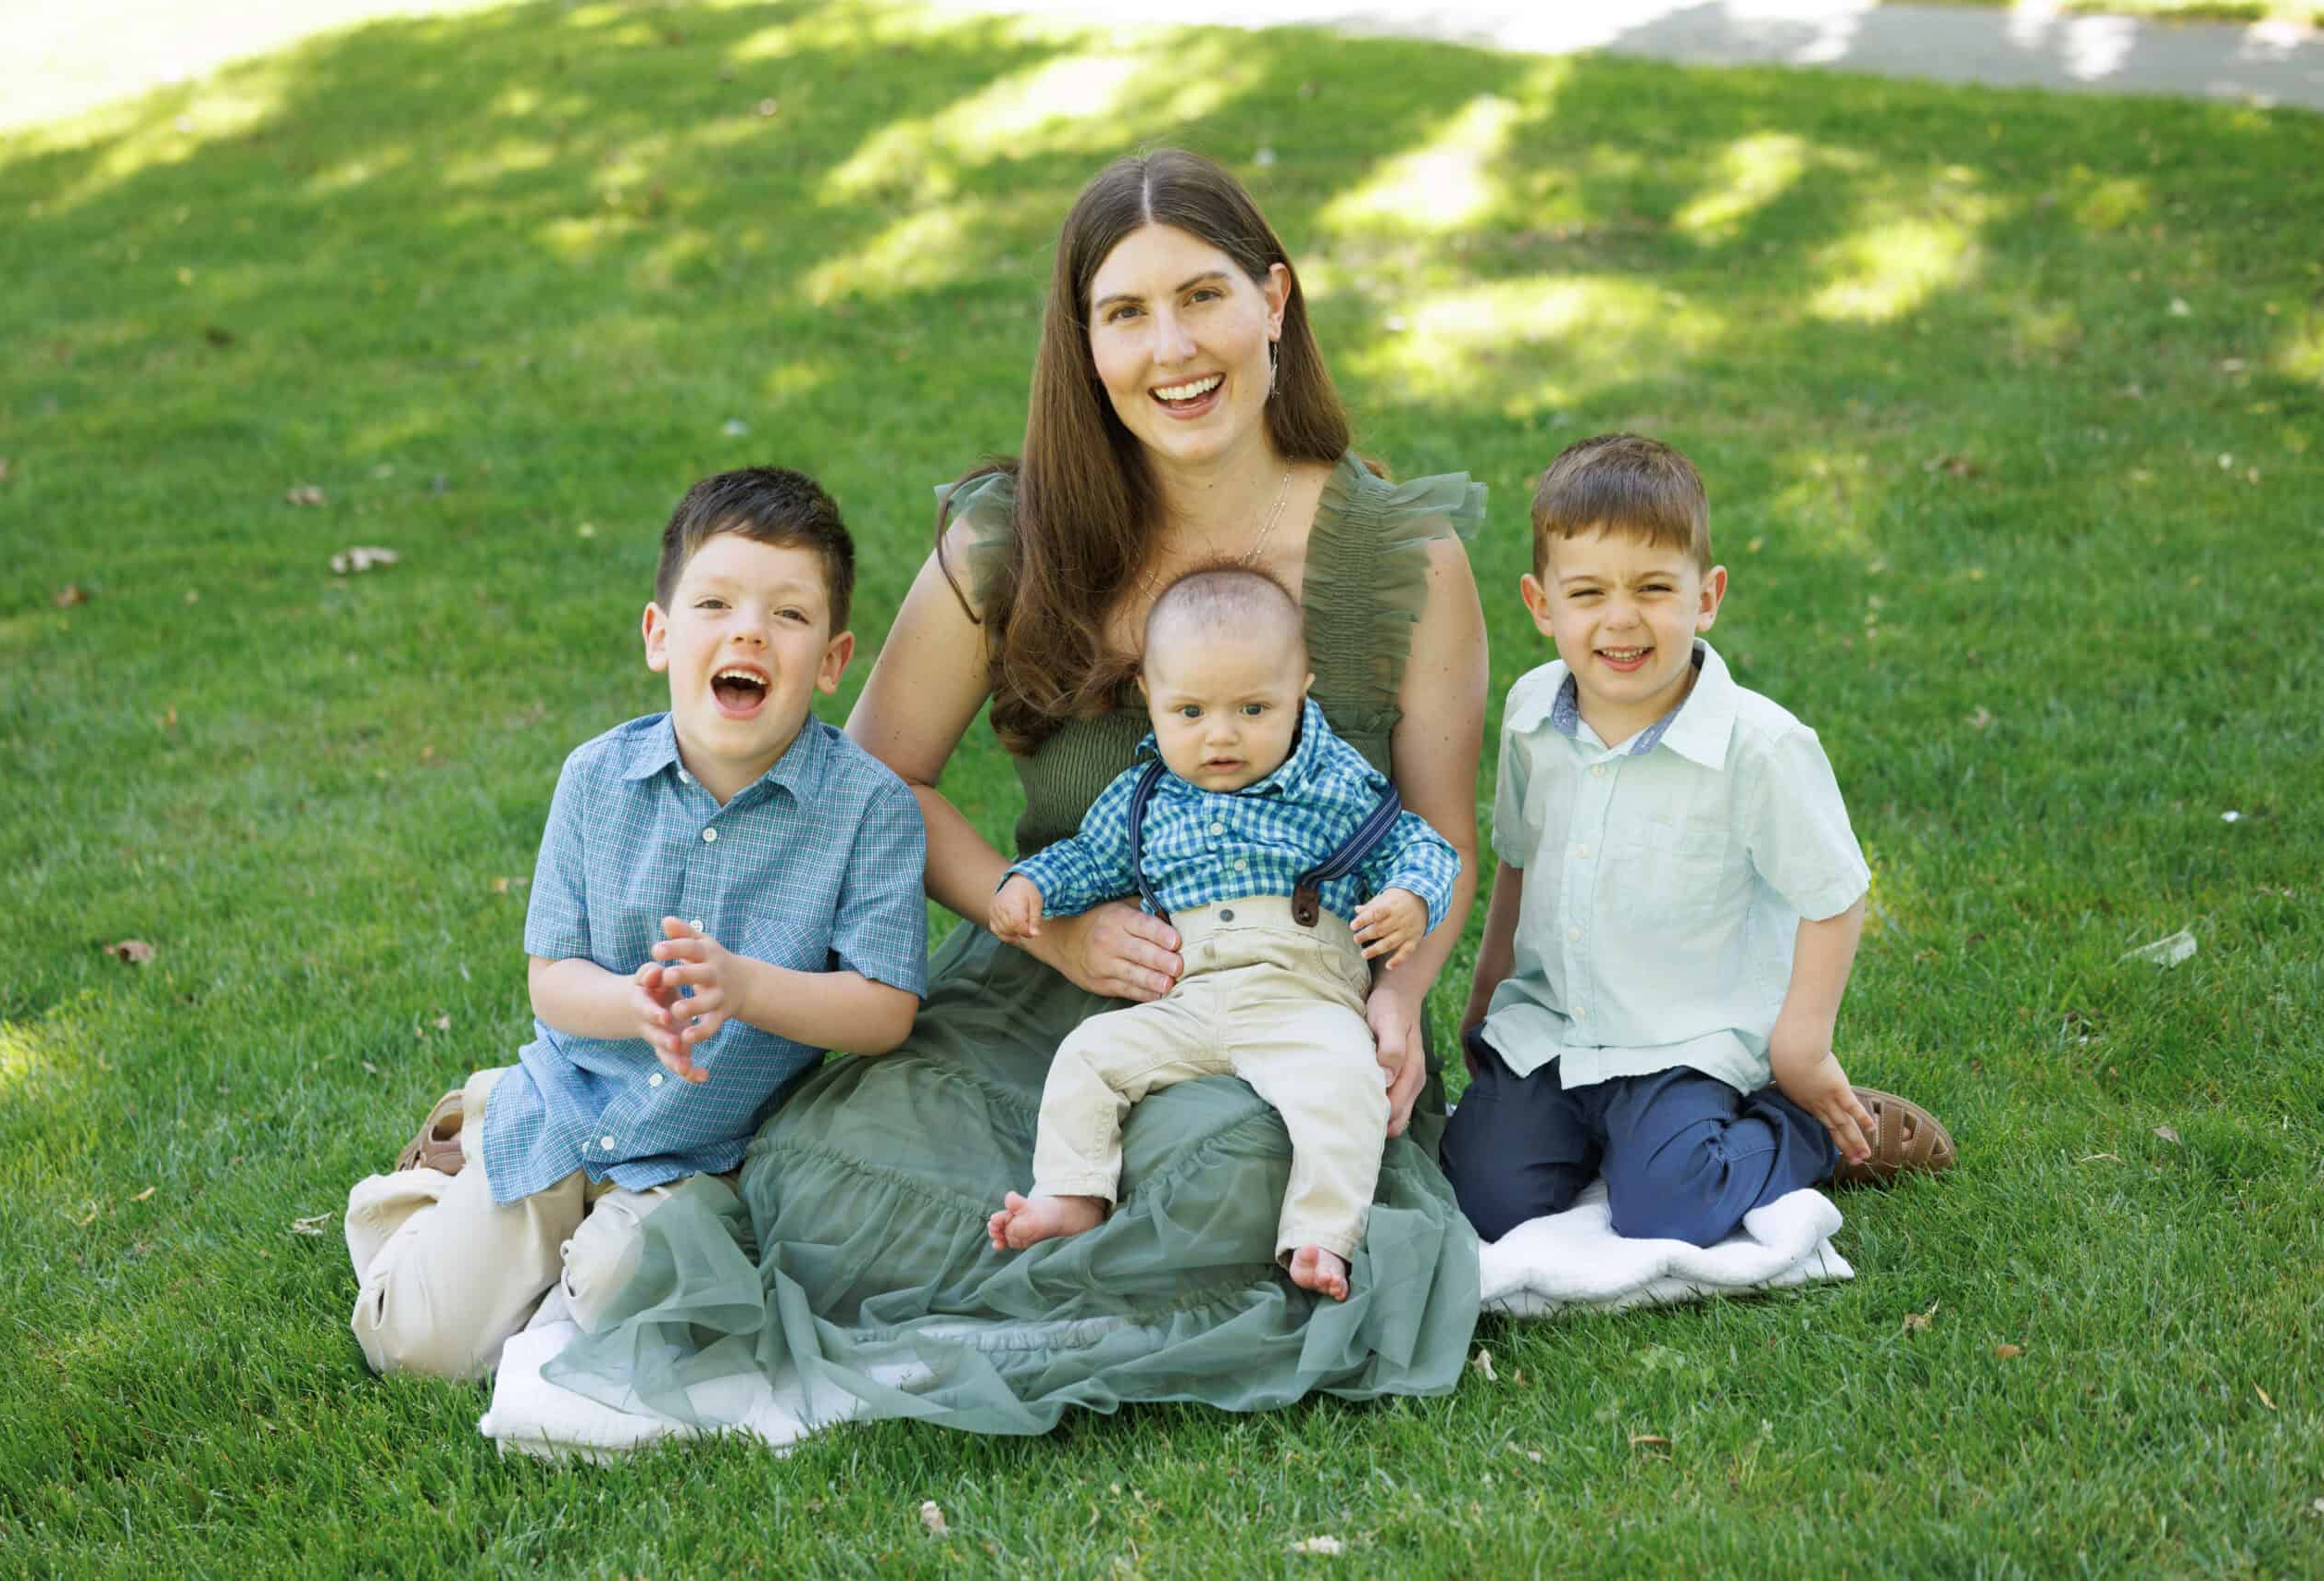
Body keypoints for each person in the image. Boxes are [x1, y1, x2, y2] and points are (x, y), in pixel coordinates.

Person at [543, 149, 1489, 1435]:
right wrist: (1046, 920)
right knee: (821, 1176)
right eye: (1126, 313)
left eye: (1203, 296)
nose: (1173, 349)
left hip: (1298, 1001)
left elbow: (1439, 836)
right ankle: (1073, 1279)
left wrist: (1403, 996)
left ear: (1276, 300)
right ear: (1084, 342)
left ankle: (1064, 1284)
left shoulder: (1402, 561)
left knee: (1236, 1174)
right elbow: (872, 783)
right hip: (1052, 990)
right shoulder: (1017, 540)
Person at [343, 467, 929, 1378]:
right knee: (412, 1345)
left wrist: (746, 989)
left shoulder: (870, 810)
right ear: (659, 636)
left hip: (709, 1150)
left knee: (623, 1308)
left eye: (787, 614)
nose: (747, 630)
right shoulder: (595, 779)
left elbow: (885, 1009)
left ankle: (561, 1244)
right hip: (568, 1105)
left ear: (831, 660)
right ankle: (452, 1166)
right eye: (715, 603)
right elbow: (552, 978)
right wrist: (632, 1003)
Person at [1440, 434, 1954, 1250]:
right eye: (1587, 592)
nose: (1620, 618)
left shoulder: (1760, 748)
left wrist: (1802, 1048)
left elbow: (1836, 894)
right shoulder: (1533, 713)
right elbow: (1518, 859)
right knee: (1484, 1198)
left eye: (1653, 588)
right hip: (1556, 1027)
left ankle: (1806, 1131)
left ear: (1706, 596)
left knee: (1670, 1209)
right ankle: (1604, 1138)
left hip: (1682, 1039)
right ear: (1541, 606)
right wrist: (1488, 988)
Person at [983, 565, 1461, 1302]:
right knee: (1089, 1056)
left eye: (1253, 708)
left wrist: (1408, 897)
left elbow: (1420, 845)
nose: (1221, 736)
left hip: (1304, 994)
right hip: (1188, 995)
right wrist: (1032, 885)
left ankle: (1320, 1236)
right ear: (1149, 696)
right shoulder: (1146, 797)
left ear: (1303, 683)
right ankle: (1072, 1194)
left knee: (1345, 1087)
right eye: (1191, 712)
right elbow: (1088, 856)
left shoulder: (1331, 781)